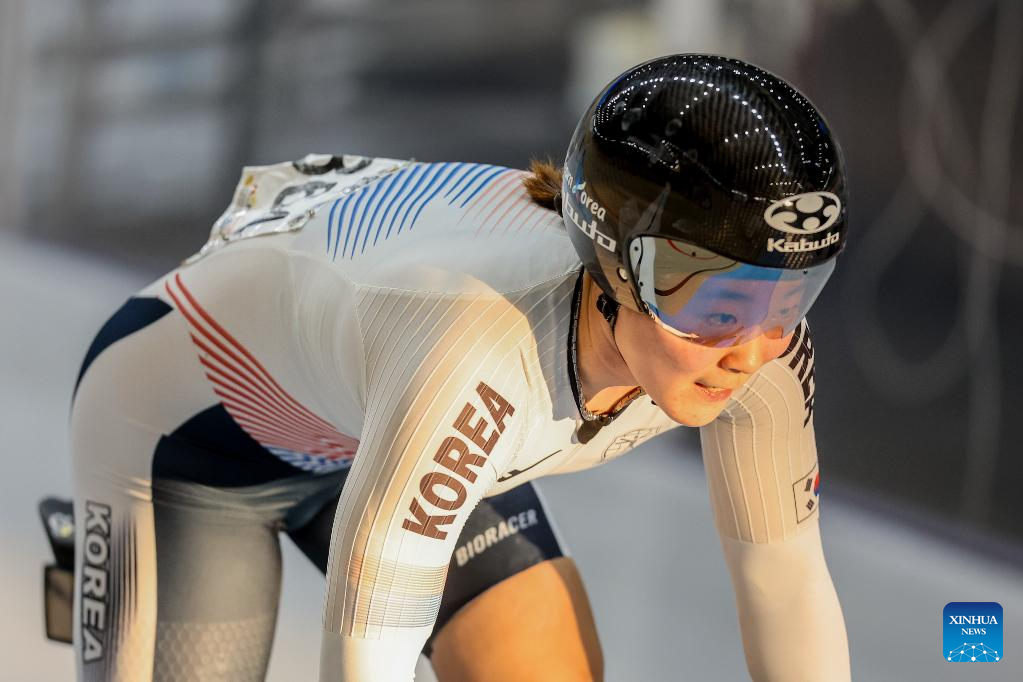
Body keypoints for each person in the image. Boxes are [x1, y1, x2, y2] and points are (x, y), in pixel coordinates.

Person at [69, 54, 851, 681]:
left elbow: (782, 580)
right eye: (715, 305)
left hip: (372, 414)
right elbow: (366, 656)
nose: (749, 351)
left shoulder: (768, 349)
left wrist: (740, 309)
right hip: (191, 441)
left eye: (787, 298)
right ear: (615, 271)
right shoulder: (474, 350)